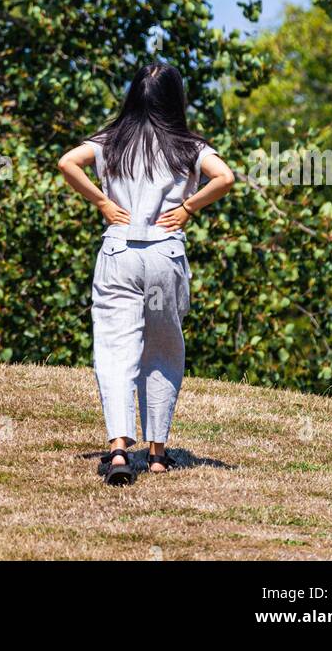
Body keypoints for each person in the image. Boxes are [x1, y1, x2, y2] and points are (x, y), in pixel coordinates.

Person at [58, 61, 235, 486]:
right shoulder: (188, 145)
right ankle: (157, 452)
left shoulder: (111, 140)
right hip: (164, 253)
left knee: (116, 346)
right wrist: (189, 207)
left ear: (132, 96)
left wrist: (102, 202)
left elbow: (67, 163)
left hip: (119, 248)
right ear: (175, 100)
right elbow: (225, 177)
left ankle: (119, 448)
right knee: (162, 347)